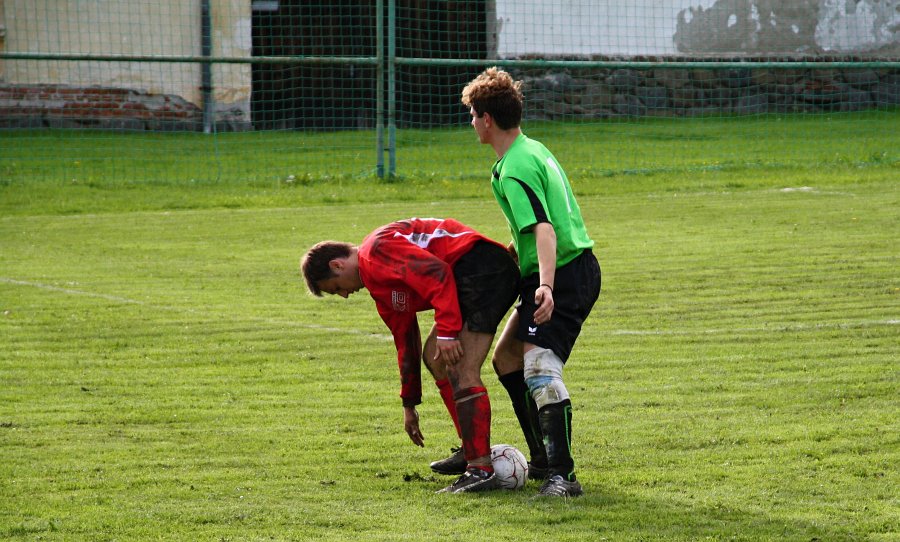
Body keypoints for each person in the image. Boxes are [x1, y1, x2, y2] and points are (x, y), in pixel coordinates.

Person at [300, 217, 520, 493]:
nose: (344, 295)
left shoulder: (376, 251)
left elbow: (438, 273)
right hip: (473, 274)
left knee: (459, 367)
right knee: (436, 359)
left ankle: (480, 469)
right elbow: (405, 341)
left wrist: (448, 333)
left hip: (484, 269)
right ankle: (471, 449)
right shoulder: (379, 286)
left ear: (337, 265)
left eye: (336, 288)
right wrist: (409, 403)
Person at [462, 67, 602, 498]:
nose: (471, 122)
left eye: (473, 115)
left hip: (564, 273)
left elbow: (543, 228)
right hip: (560, 268)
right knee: (506, 358)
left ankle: (563, 475)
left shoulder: (515, 167)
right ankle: (541, 457)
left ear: (487, 119)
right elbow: (543, 220)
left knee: (540, 367)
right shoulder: (530, 150)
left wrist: (546, 286)